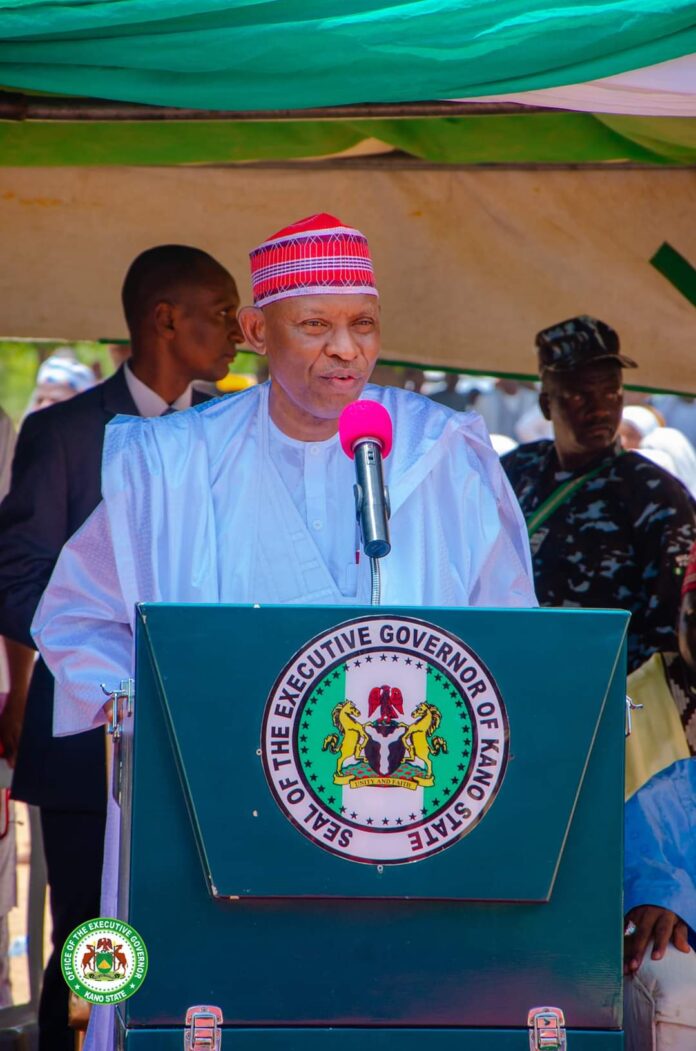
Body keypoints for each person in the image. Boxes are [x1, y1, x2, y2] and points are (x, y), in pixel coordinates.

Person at [30, 212, 536, 1050]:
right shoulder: (174, 463)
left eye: (363, 324)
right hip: (217, 815)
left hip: (403, 817)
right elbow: (78, 615)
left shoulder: (440, 452)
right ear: (258, 332)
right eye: (316, 325)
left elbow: (511, 635)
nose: (346, 349)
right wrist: (142, 706)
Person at [0, 243, 242, 1050]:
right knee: (93, 948)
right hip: (86, 739)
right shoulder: (66, 431)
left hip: (203, 742)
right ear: (165, 319)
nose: (238, 331)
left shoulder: (228, 433)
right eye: (222, 313)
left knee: (190, 937)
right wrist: (111, 650)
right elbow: (17, 577)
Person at [502, 316, 696, 673]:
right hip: (509, 675)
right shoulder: (516, 471)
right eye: (580, 395)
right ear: (546, 404)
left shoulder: (654, 494)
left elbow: (669, 632)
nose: (600, 409)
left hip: (609, 691)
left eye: (612, 392)